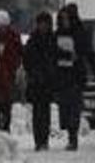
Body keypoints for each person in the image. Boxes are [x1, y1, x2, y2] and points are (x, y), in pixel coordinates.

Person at [54, 7, 95, 151]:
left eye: (67, 18)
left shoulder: (80, 34)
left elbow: (88, 53)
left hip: (75, 75)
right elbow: (51, 52)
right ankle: (69, 132)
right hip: (61, 76)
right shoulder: (57, 34)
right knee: (64, 107)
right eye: (63, 19)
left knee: (74, 107)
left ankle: (73, 138)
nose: (65, 21)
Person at [23, 12, 58, 152]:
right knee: (37, 112)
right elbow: (27, 60)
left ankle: (45, 140)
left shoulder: (52, 39)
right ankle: (38, 140)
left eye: (45, 23)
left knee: (45, 112)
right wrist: (33, 73)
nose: (43, 26)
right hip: (36, 82)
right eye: (41, 23)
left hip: (48, 81)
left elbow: (56, 56)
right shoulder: (33, 40)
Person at [0, 10, 23, 132]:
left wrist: (10, 67)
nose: (2, 29)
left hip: (8, 76)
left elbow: (18, 55)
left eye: (4, 26)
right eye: (0, 26)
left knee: (7, 105)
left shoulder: (13, 38)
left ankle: (6, 128)